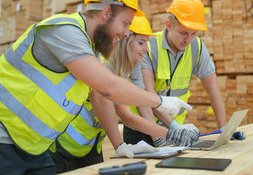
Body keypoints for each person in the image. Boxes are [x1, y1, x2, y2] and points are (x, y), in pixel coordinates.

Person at [0, 0, 192, 175]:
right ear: (106, 12)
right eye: (125, 23)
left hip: (30, 145)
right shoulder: (64, 30)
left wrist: (120, 145)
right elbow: (109, 87)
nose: (125, 33)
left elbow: (102, 97)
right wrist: (159, 101)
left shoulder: (91, 51)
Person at [49, 15, 199, 173]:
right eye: (141, 43)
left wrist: (172, 130)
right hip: (62, 146)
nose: (146, 49)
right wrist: (170, 134)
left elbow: (143, 104)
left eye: (147, 43)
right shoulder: (103, 66)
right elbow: (126, 115)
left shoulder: (133, 66)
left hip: (91, 146)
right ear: (125, 42)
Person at [124, 0, 228, 145]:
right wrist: (171, 129)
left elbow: (213, 90)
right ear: (169, 25)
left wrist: (224, 129)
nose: (188, 40)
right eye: (183, 33)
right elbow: (148, 94)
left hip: (175, 132)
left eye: (193, 34)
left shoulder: (197, 48)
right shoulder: (148, 47)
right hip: (142, 128)